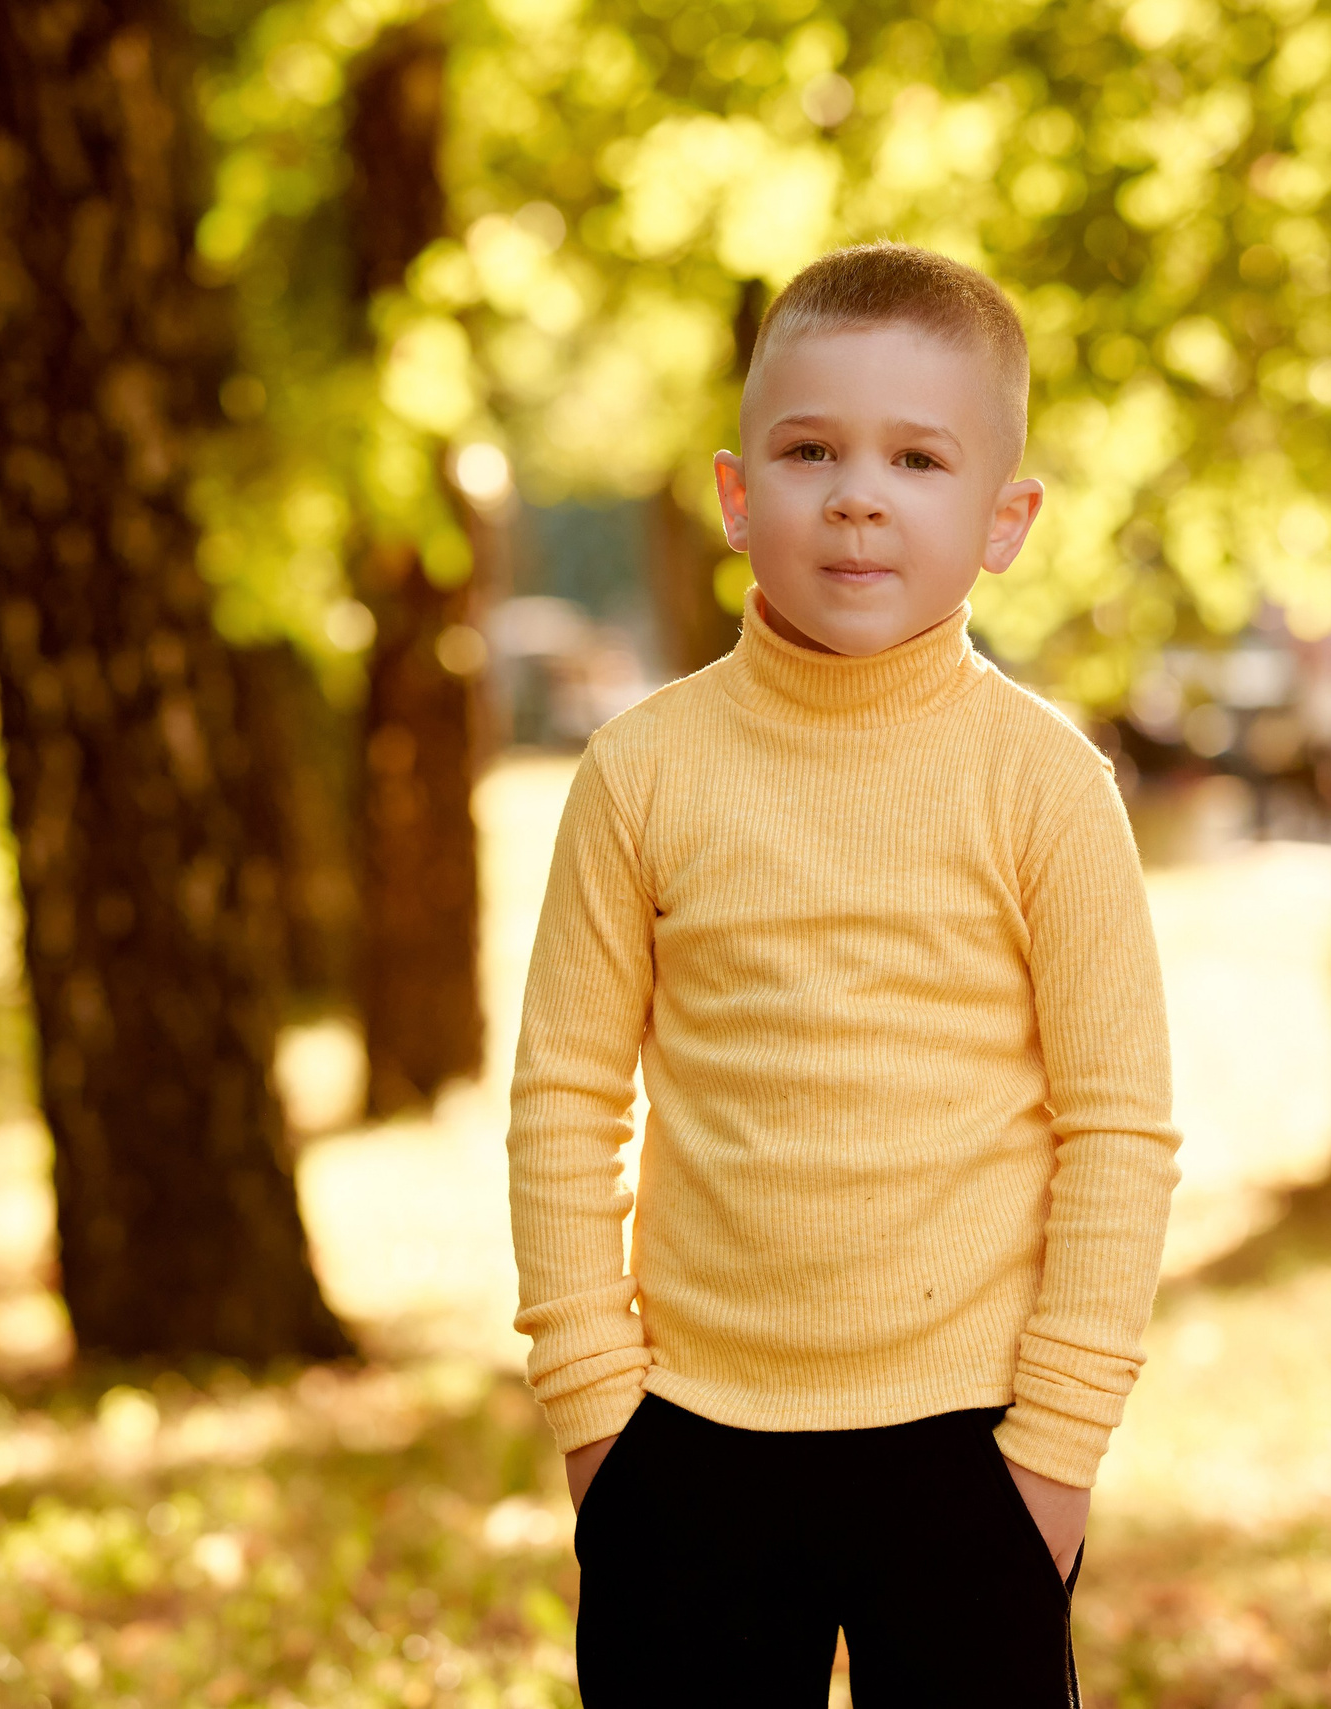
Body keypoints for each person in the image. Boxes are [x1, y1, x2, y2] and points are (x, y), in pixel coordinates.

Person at [506, 242, 1181, 1706]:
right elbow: (565, 1097)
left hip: (971, 1450)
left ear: (1005, 520)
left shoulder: (1045, 787)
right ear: (738, 495)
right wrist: (594, 1420)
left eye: (918, 459)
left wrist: (1052, 1455)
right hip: (685, 1443)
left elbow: (1118, 1132)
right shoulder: (643, 772)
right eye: (811, 450)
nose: (859, 493)